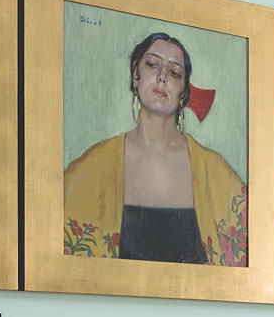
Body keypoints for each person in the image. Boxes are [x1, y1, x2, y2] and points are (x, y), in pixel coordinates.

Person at [62, 31, 248, 264]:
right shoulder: (92, 167)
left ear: (182, 93)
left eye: (174, 72)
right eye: (152, 64)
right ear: (135, 75)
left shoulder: (214, 171)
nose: (162, 77)